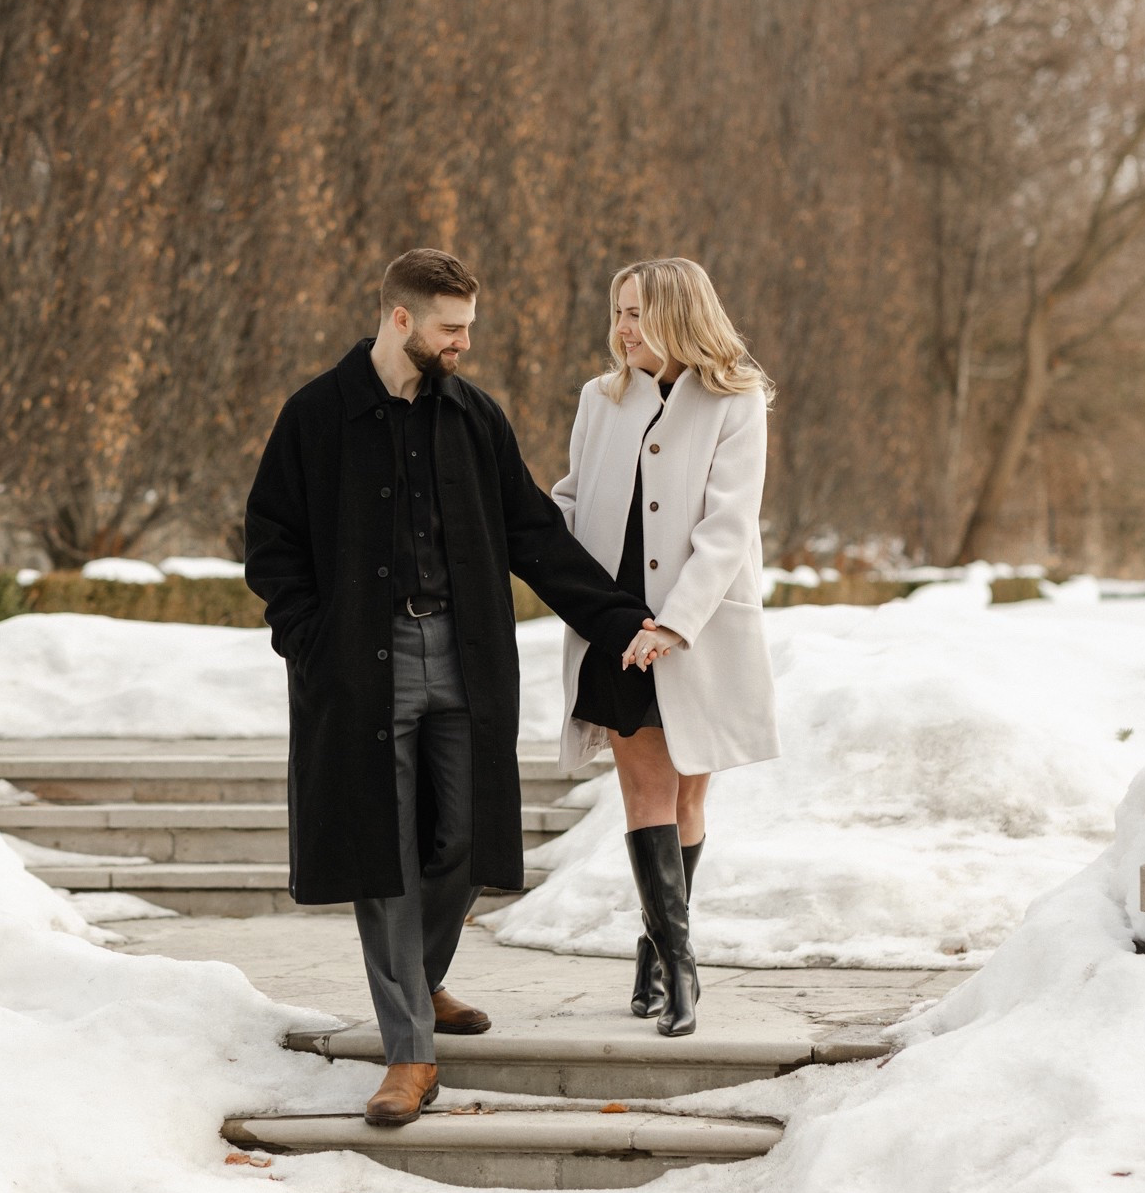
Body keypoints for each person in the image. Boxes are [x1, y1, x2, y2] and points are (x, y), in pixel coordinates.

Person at [244, 249, 650, 1128]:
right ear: (400, 320)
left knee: (464, 840)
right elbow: (271, 546)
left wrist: (620, 621)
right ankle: (408, 1051)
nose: (463, 343)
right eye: (449, 328)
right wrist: (310, 642)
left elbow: (533, 534)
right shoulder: (317, 415)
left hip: (464, 660)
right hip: (359, 666)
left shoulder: (473, 417)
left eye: (468, 327)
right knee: (381, 854)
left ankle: (418, 984)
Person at [552, 257, 780, 1037]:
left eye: (638, 314)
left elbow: (727, 527)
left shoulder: (734, 399)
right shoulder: (599, 398)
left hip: (699, 630)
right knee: (646, 793)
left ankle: (654, 951)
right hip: (615, 628)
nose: (622, 329)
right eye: (617, 312)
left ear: (679, 317)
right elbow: (572, 496)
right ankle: (682, 971)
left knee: (689, 795)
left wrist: (674, 624)